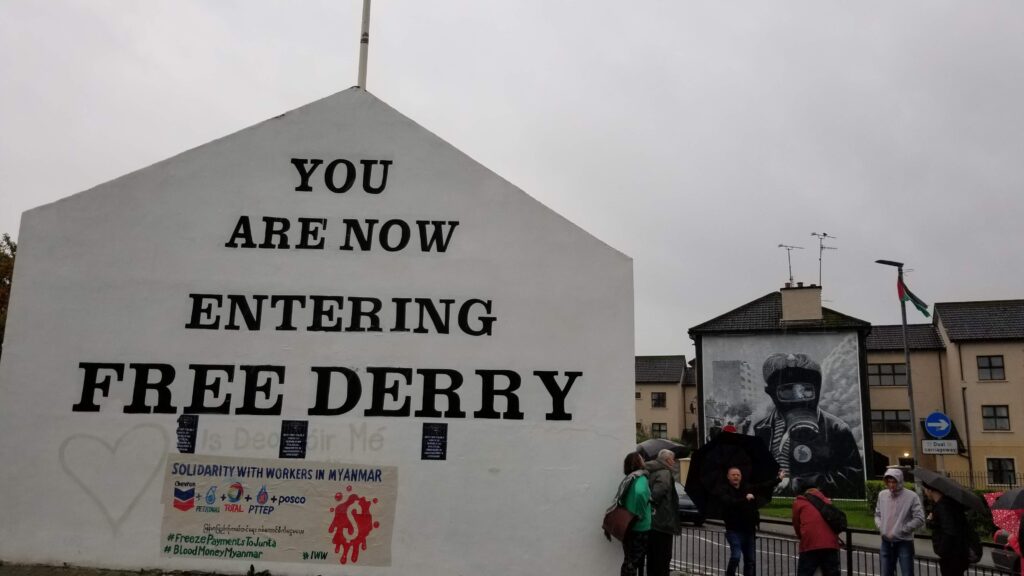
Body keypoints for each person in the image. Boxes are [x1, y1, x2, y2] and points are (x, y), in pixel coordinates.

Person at [753, 353, 865, 498]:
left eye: (806, 390)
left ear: (817, 390)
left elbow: (853, 478)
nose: (799, 398)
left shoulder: (836, 429)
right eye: (787, 391)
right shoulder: (761, 429)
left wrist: (798, 484)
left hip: (812, 503)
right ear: (771, 393)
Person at [874, 468, 925, 576]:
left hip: (904, 541)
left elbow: (919, 518)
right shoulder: (882, 495)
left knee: (907, 573)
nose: (891, 485)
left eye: (894, 481)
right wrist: (881, 526)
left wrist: (903, 529)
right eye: (889, 482)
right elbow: (878, 514)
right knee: (886, 573)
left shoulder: (911, 496)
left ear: (900, 481)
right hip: (886, 542)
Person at [715, 466, 761, 576]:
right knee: (736, 556)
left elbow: (761, 487)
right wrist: (745, 499)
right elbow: (730, 502)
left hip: (749, 531)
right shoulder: (723, 490)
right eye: (733, 475)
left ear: (741, 477)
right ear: (728, 477)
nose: (736, 477)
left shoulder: (746, 488)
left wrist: (778, 479)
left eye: (738, 475)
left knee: (750, 561)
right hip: (733, 531)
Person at [792, 478, 841, 576]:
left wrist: (801, 536)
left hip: (810, 544)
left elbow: (796, 524)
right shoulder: (826, 501)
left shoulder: (799, 502)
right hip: (830, 544)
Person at [645, 448, 681, 576]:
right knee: (664, 558)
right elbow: (658, 493)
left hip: (652, 522)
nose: (674, 462)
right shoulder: (665, 473)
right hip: (663, 522)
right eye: (673, 459)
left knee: (652, 557)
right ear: (667, 460)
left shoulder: (651, 470)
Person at [923, 482, 971, 576]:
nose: (925, 493)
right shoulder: (949, 504)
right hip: (959, 553)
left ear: (930, 490)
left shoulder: (943, 507)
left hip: (951, 555)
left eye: (925, 490)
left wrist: (942, 551)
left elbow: (949, 530)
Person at [617, 452, 651, 576]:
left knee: (628, 560)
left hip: (628, 524)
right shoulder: (640, 477)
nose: (644, 460)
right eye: (642, 459)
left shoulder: (629, 478)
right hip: (640, 526)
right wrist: (641, 512)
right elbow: (641, 492)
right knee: (633, 563)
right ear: (638, 462)